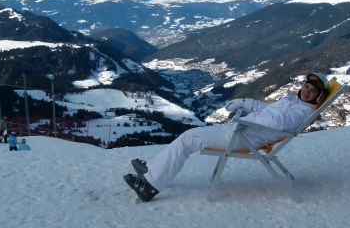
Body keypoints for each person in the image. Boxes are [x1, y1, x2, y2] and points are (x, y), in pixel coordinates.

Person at [124, 72, 329, 202]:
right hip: (241, 129)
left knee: (188, 140)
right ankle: (153, 169)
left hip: (242, 137)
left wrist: (245, 118)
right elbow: (268, 111)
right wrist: (246, 102)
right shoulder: (294, 101)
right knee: (187, 135)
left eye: (312, 90)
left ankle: (149, 187)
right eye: (306, 86)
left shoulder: (301, 112)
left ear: (318, 96)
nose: (307, 91)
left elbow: (275, 122)